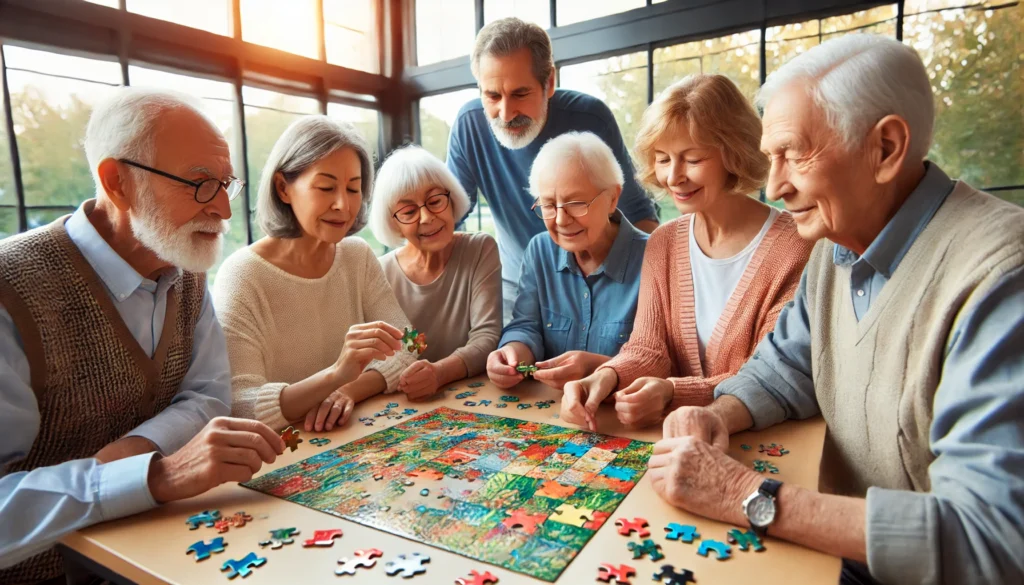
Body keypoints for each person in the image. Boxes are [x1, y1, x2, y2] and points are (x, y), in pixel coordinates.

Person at [647, 35, 1024, 585]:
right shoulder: (834, 245)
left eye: (793, 154)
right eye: (770, 157)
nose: (774, 186)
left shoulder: (1000, 275)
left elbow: (988, 535)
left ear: (887, 148)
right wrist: (717, 414)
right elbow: (787, 367)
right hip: (828, 558)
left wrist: (743, 494)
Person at [0, 88, 284, 584]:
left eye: (225, 184)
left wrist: (127, 455)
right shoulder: (10, 290)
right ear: (117, 182)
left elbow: (209, 395)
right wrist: (156, 474)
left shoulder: (185, 264)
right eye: (199, 184)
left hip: (172, 551)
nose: (223, 210)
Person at [562, 75, 812, 431]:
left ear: (734, 153)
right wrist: (607, 376)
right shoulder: (662, 243)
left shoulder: (795, 247)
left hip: (763, 439)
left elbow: (768, 377)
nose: (673, 176)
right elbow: (648, 348)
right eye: (663, 159)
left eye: (692, 159)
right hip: (676, 436)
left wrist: (671, 391)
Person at [448, 17, 660, 321]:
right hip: (518, 286)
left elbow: (637, 216)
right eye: (492, 96)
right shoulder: (469, 125)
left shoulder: (591, 118)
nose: (506, 114)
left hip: (597, 282)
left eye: (520, 94)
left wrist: (650, 293)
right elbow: (446, 217)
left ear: (549, 83)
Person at [214, 116, 415, 434]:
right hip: (278, 457)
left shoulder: (356, 255)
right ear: (283, 188)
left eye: (353, 188)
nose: (343, 205)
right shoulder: (242, 275)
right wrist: (335, 375)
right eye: (326, 187)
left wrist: (348, 389)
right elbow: (241, 405)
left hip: (356, 435)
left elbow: (409, 345)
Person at [486, 132, 648, 394]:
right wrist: (511, 353)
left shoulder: (653, 257)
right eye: (549, 205)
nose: (561, 220)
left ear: (612, 198)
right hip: (550, 412)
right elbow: (527, 326)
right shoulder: (540, 250)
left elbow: (663, 360)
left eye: (576, 203)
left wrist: (596, 368)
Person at [368, 146, 502, 398]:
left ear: (451, 201)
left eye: (435, 201)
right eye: (408, 212)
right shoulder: (379, 272)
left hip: (473, 396)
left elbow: (487, 336)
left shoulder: (480, 249)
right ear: (393, 224)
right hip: (403, 402)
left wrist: (439, 373)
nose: (427, 217)